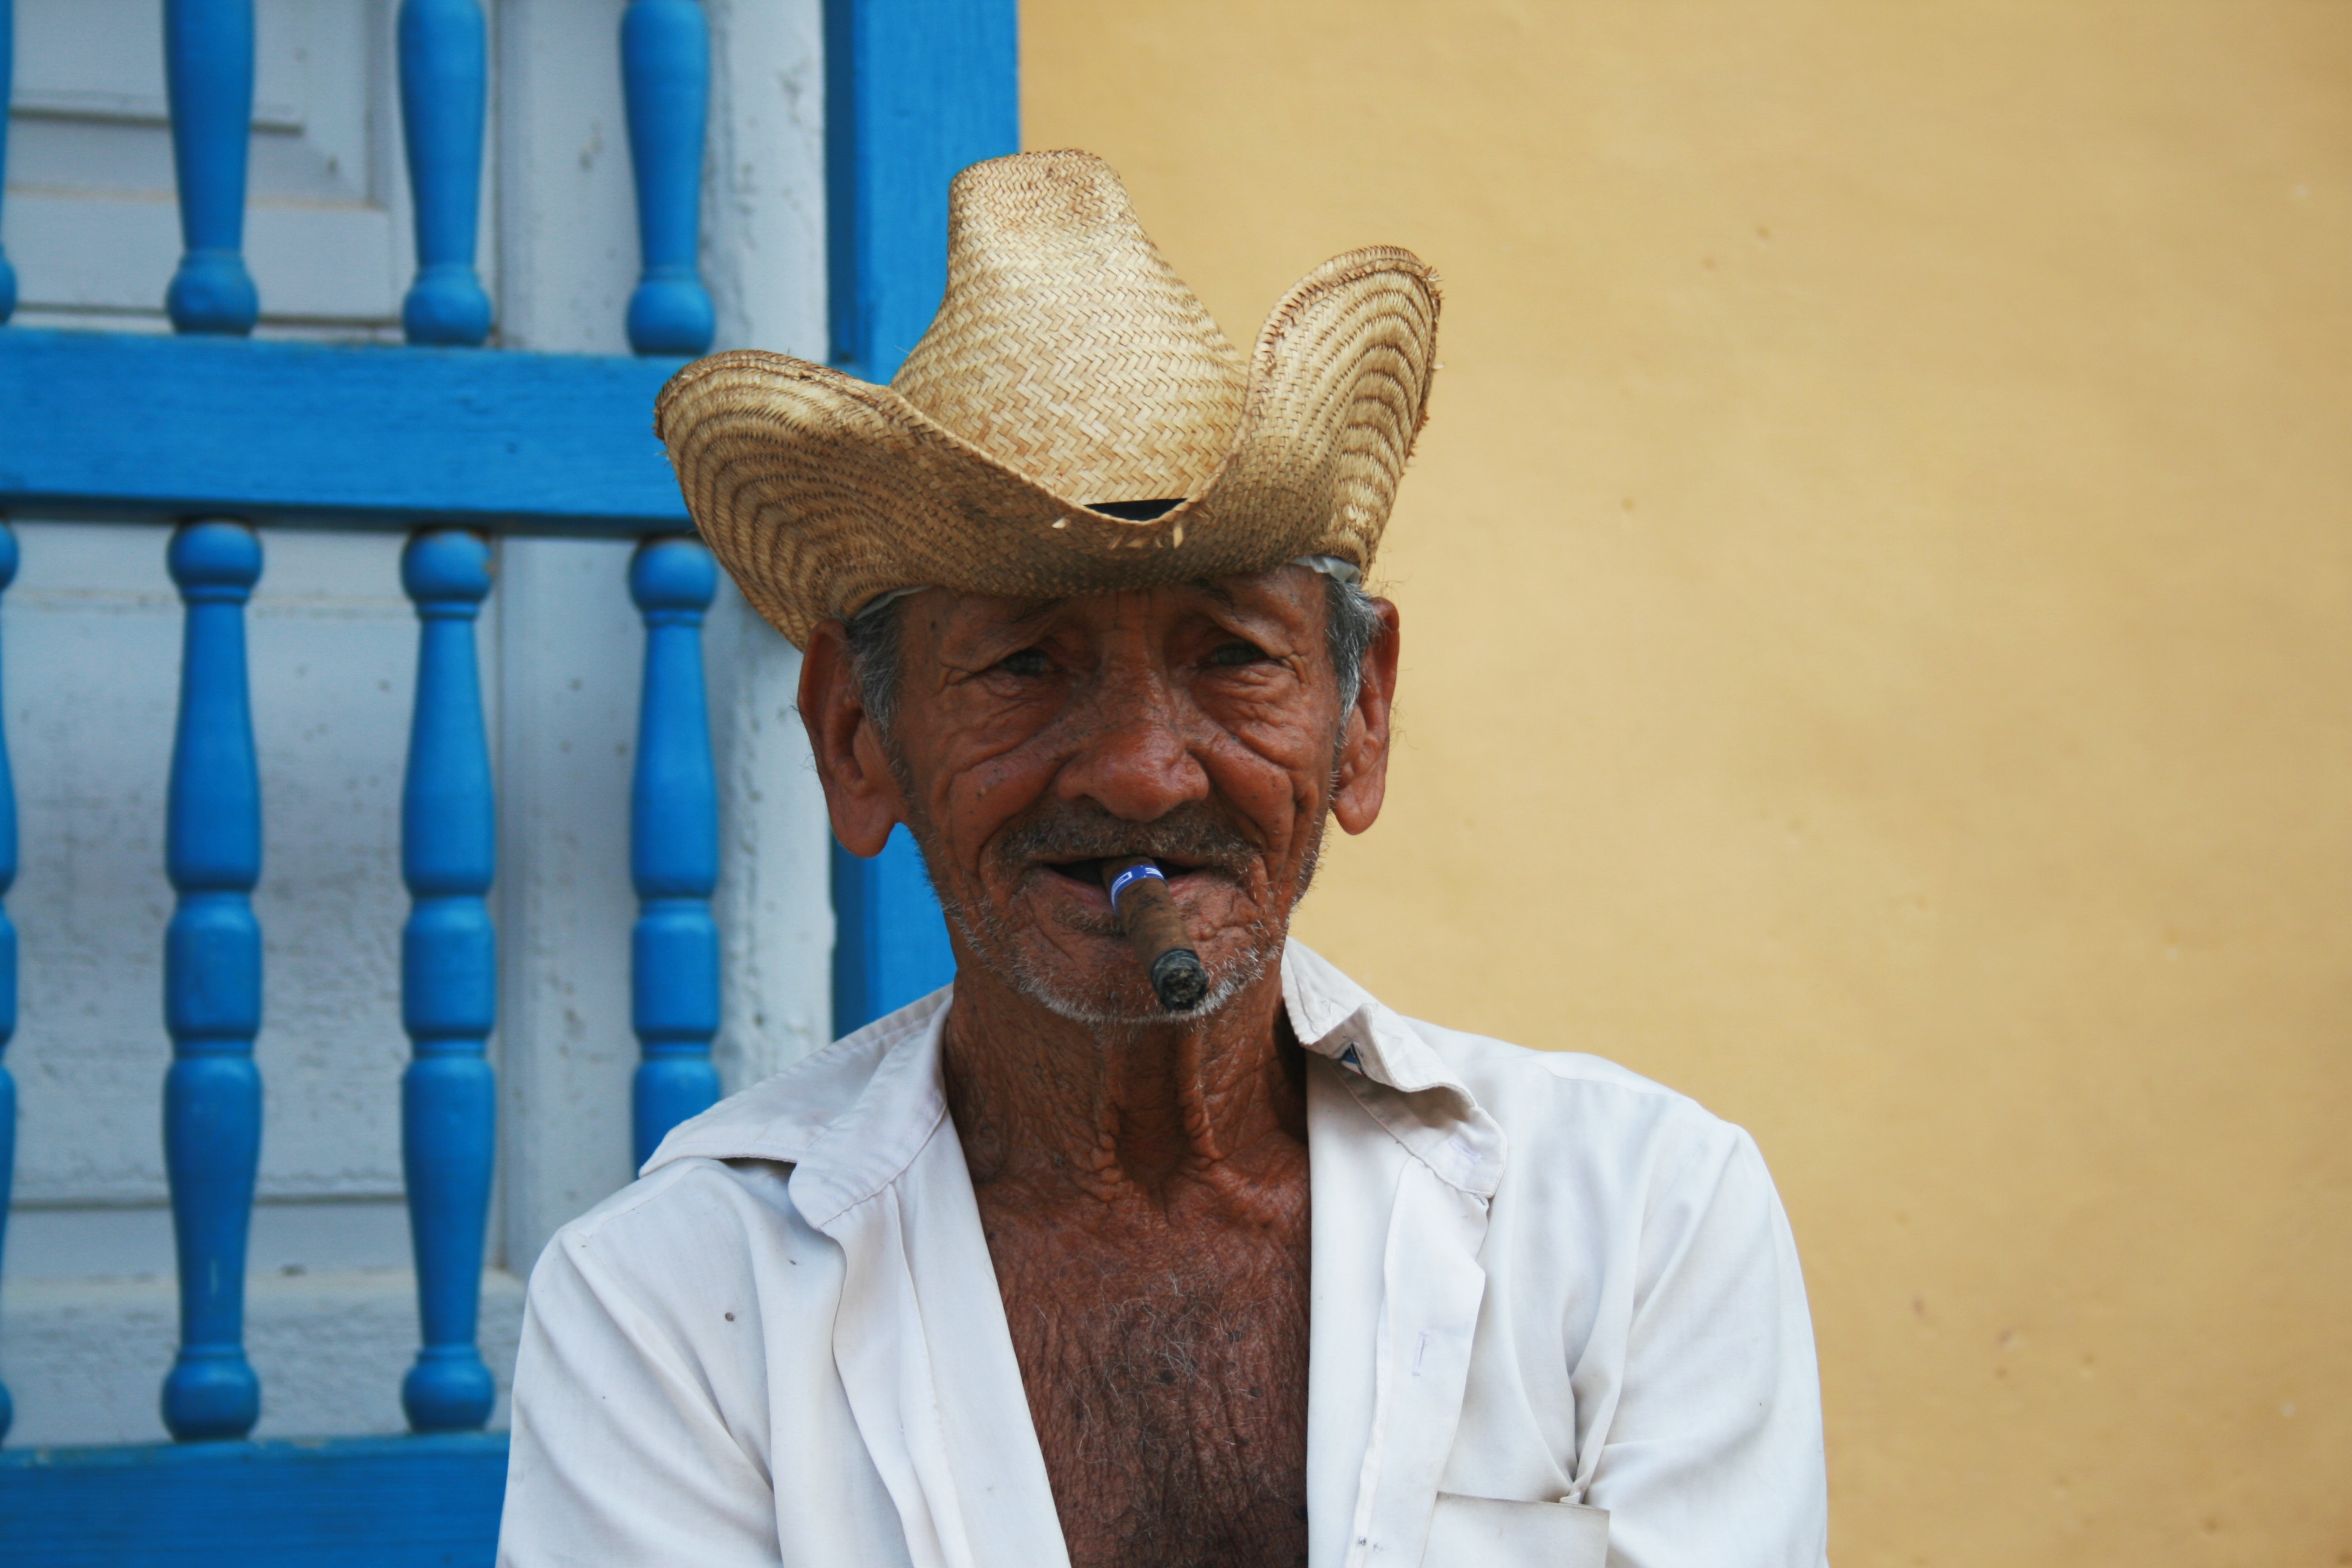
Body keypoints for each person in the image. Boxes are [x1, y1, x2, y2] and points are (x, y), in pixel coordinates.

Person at [497, 149, 1829, 1568]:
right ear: (856, 739)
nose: (1140, 771)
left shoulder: (1636, 1221)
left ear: (1359, 715)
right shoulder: (675, 1304)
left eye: (1231, 658)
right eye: (1023, 664)